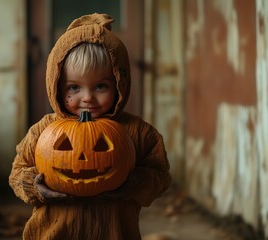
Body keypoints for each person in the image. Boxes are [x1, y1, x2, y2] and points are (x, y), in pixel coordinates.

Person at [9, 13, 172, 240]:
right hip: (56, 233)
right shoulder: (44, 130)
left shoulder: (137, 132)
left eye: (100, 86)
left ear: (119, 84)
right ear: (56, 86)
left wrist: (133, 183)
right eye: (74, 88)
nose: (87, 98)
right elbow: (18, 171)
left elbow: (160, 176)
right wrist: (36, 188)